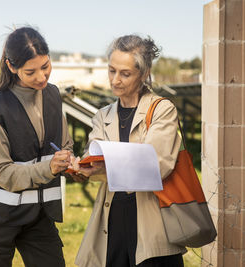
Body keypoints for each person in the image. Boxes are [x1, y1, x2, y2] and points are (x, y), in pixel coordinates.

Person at [71, 35, 186, 267]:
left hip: (152, 221)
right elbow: (94, 159)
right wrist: (83, 168)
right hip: (112, 220)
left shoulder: (162, 110)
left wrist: (105, 165)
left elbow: (156, 165)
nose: (115, 80)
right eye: (111, 71)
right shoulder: (102, 116)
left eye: (125, 74)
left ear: (144, 74)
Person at [0, 26, 73, 267]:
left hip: (39, 216)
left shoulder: (53, 96)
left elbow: (65, 144)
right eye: (31, 71)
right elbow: (1, 171)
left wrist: (70, 162)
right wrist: (50, 168)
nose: (41, 77)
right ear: (11, 67)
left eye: (45, 66)